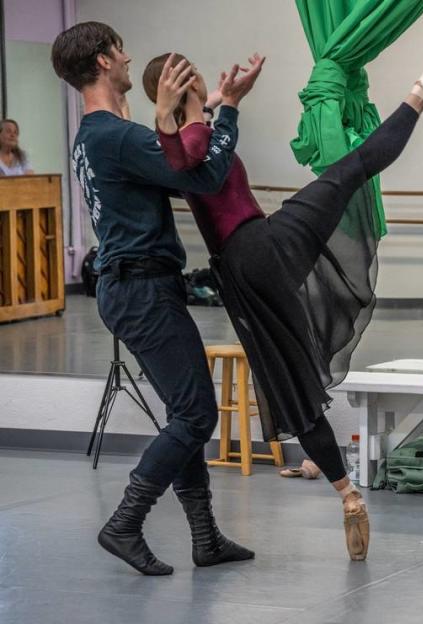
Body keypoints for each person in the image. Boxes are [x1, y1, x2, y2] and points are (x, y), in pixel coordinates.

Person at [141, 36, 423, 560]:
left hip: (243, 271)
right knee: (351, 169)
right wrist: (183, 115)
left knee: (294, 388)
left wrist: (223, 105)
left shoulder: (198, 130)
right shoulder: (191, 137)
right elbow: (186, 156)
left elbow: (189, 156)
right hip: (258, 250)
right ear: (186, 84)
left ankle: (349, 498)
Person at [52, 21, 261, 576]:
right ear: (102, 61)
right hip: (141, 288)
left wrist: (198, 109)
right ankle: (125, 521)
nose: (127, 60)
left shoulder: (97, 135)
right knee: (195, 413)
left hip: (135, 287)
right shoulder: (115, 136)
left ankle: (205, 537)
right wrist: (227, 111)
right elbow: (205, 176)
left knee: (182, 410)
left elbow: (174, 165)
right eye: (119, 51)